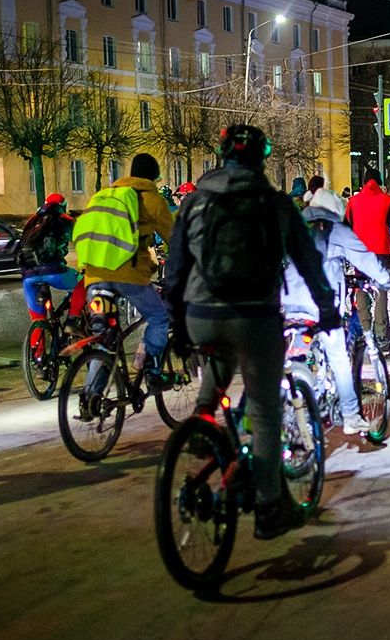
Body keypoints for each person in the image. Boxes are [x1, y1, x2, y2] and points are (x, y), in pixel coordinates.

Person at [164, 124, 339, 541]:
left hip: (201, 314)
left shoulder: (195, 200)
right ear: (262, 158)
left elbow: (174, 268)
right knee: (263, 413)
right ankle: (268, 507)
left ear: (222, 156)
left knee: (219, 359)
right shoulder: (273, 202)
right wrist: (328, 307)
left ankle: (202, 425)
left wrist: (177, 322)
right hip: (254, 317)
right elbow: (307, 260)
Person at [281, 188, 390, 435]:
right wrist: (385, 280)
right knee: (339, 357)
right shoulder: (337, 230)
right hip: (321, 304)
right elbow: (365, 259)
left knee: (294, 353)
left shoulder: (295, 228)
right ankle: (351, 415)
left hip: (290, 301)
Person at [82, 153, 175, 388]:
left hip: (94, 276)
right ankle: (152, 369)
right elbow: (177, 240)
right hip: (128, 276)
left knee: (105, 336)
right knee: (159, 317)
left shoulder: (104, 196)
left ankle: (91, 396)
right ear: (154, 177)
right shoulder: (153, 200)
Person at [346, 167, 390, 355]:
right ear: (379, 182)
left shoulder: (353, 202)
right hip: (380, 252)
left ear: (363, 182)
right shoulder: (388, 201)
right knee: (380, 292)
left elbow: (345, 227)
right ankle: (381, 335)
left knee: (361, 290)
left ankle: (365, 329)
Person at [18, 193, 85, 337]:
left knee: (38, 320)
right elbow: (82, 242)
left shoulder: (32, 220)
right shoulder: (65, 220)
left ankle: (37, 357)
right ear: (63, 206)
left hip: (28, 276)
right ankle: (72, 321)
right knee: (83, 282)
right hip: (53, 271)